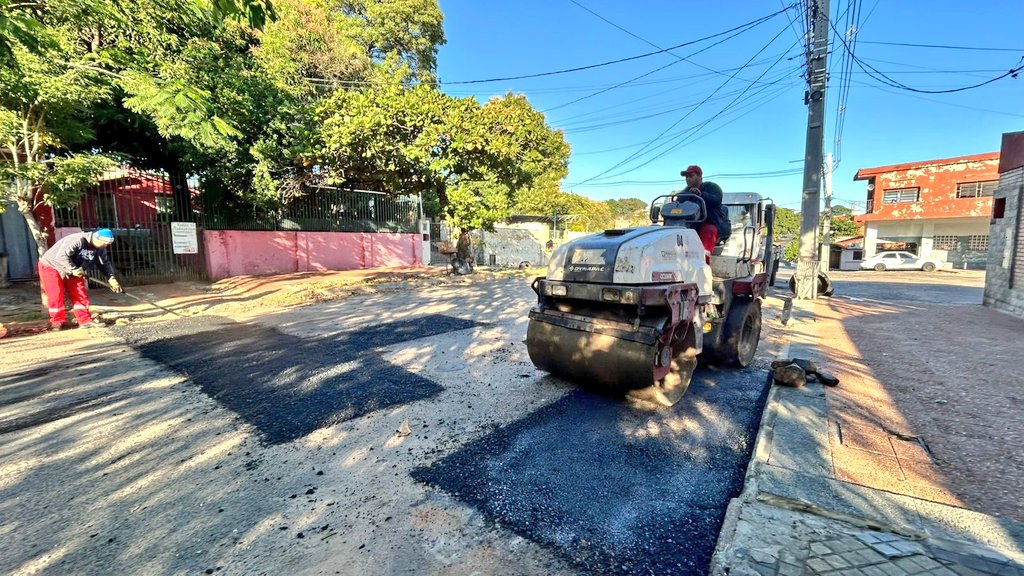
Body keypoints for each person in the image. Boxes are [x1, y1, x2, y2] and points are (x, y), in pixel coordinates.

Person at [38, 228, 124, 331]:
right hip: (51, 265)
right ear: (96, 238)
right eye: (104, 243)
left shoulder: (100, 248)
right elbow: (61, 256)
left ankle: (85, 320)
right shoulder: (77, 240)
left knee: (79, 293)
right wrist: (72, 269)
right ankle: (57, 322)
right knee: (56, 294)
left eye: (107, 244)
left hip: (75, 267)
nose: (105, 246)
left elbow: (104, 263)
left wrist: (111, 278)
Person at [678, 165, 730, 260]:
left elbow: (716, 200)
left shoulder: (712, 187)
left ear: (699, 176)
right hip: (689, 224)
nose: (688, 179)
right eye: (686, 177)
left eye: (691, 176)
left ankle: (703, 263)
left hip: (709, 222)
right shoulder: (684, 192)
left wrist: (701, 194)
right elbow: (677, 203)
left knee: (709, 231)